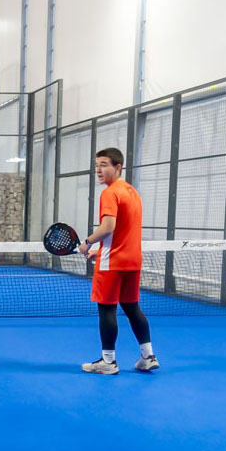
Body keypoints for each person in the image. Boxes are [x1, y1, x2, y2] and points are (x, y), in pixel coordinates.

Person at [78, 147, 159, 375]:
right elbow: (124, 232)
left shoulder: (109, 193)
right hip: (132, 260)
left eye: (104, 165)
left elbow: (108, 227)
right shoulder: (132, 192)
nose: (98, 170)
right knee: (132, 307)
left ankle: (108, 362)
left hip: (112, 263)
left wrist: (88, 243)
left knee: (106, 308)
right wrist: (100, 250)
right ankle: (148, 356)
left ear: (118, 167)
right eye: (96, 166)